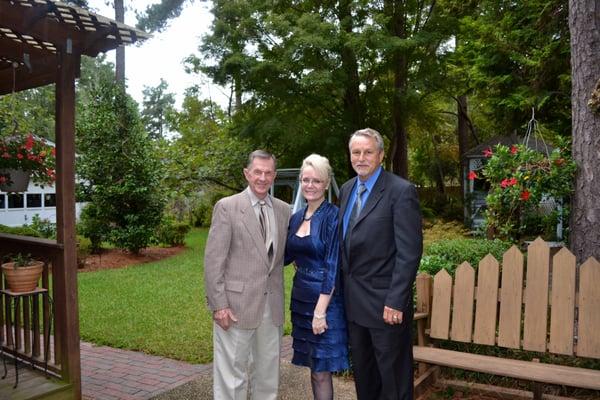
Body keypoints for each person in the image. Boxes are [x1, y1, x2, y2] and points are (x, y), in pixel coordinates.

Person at [339, 128, 423, 400]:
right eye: (356, 152)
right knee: (365, 378)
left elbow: (409, 252)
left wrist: (397, 300)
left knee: (394, 381)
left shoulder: (400, 191)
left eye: (368, 152)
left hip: (386, 307)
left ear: (381, 155)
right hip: (354, 306)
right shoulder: (347, 189)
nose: (361, 158)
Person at [204, 150, 291, 400]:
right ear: (247, 173)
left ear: (274, 175)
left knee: (268, 376)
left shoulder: (284, 211)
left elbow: (285, 254)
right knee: (232, 377)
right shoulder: (228, 207)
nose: (262, 178)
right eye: (257, 172)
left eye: (268, 173)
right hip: (235, 308)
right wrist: (219, 305)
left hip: (271, 307)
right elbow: (213, 261)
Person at [285, 154, 349, 400]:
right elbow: (285, 257)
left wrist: (320, 312)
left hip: (325, 301)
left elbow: (333, 266)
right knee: (313, 367)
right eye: (305, 180)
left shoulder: (334, 216)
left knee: (322, 371)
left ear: (325, 184)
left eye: (316, 180)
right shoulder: (296, 217)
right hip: (301, 298)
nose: (310, 185)